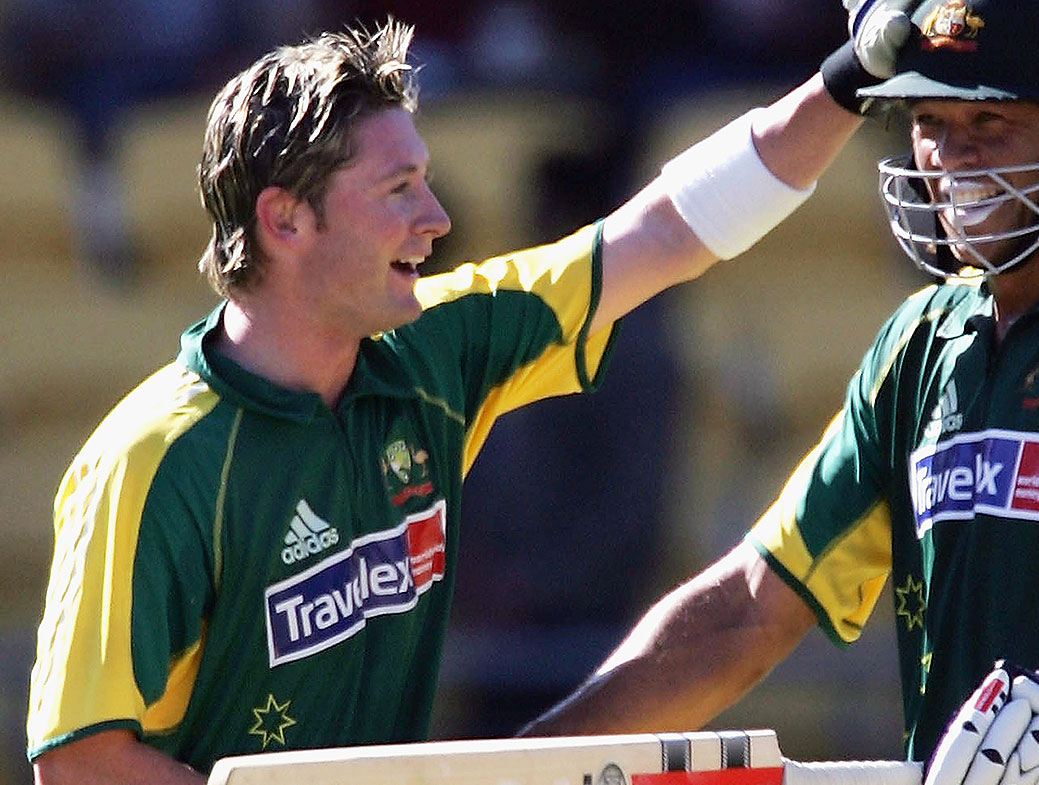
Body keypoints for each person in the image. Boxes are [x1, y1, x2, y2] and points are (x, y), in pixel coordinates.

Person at [24, 13, 910, 783]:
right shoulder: (150, 462)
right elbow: (79, 761)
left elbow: (670, 229)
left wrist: (850, 79)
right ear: (285, 219)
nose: (438, 217)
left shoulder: (435, 349)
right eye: (398, 189)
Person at [521, 1, 1039, 784]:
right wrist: (524, 762)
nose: (953, 157)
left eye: (989, 121)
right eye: (929, 124)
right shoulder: (919, 338)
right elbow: (750, 604)